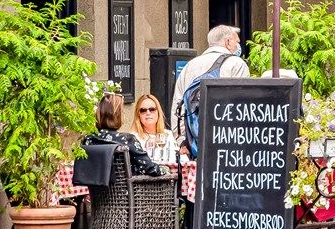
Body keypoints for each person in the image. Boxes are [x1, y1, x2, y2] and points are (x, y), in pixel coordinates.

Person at [171, 25, 251, 155]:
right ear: (228, 42)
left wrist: (182, 141)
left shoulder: (189, 65)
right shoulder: (236, 63)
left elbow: (178, 106)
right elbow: (242, 105)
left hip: (195, 142)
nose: (238, 46)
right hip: (227, 143)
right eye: (237, 42)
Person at [85, 92, 165, 178]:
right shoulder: (127, 140)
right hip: (129, 190)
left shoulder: (88, 140)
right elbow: (150, 168)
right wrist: (165, 169)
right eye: (122, 112)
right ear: (117, 116)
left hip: (97, 190)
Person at [129, 94, 176, 166]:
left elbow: (173, 161)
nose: (148, 113)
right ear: (138, 115)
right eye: (143, 110)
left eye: (152, 109)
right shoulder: (133, 138)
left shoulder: (168, 135)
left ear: (158, 112)